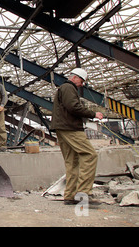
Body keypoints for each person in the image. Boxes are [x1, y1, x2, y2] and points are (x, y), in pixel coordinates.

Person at [51, 68, 103, 205]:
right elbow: (73, 107)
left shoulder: (64, 88)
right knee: (90, 155)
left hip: (62, 127)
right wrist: (93, 114)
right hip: (70, 127)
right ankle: (83, 194)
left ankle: (70, 195)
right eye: (81, 80)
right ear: (74, 77)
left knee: (72, 161)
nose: (82, 84)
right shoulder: (68, 87)